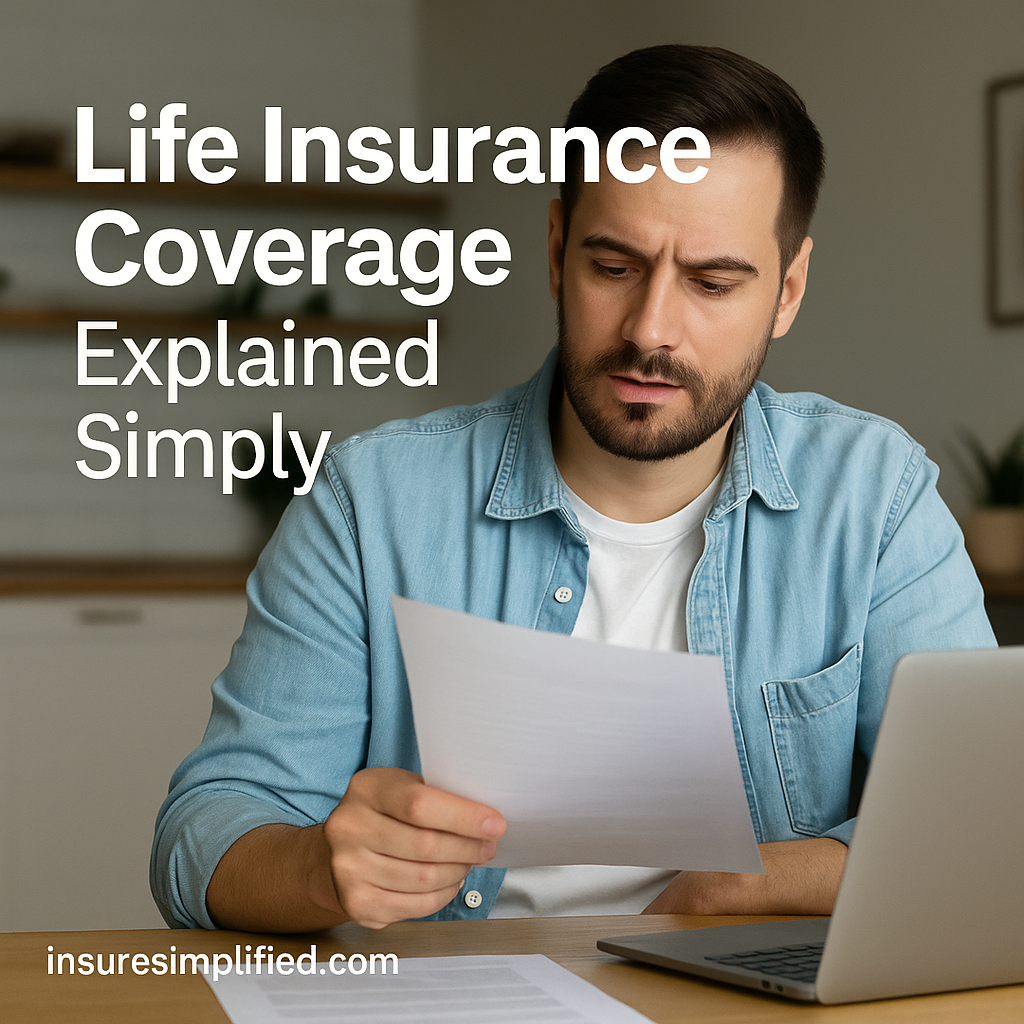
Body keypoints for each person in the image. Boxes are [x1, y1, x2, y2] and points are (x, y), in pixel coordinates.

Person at [151, 44, 994, 932]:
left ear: (787, 292)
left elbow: (987, 822)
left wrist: (748, 884)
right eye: (615, 268)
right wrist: (317, 868)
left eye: (712, 283)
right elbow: (201, 839)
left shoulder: (876, 499)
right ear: (557, 252)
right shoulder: (371, 503)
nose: (650, 330)